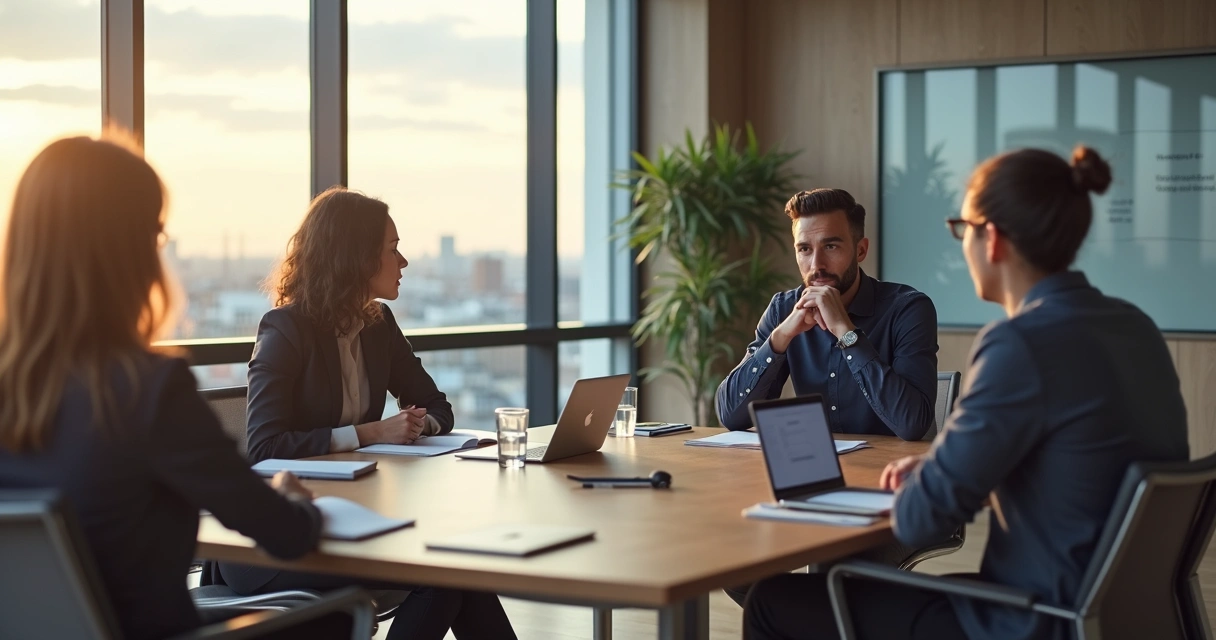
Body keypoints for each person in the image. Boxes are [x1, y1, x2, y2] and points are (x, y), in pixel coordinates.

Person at [743, 147, 1190, 640]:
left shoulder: (1019, 343)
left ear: (991, 238)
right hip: (1114, 610)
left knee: (771, 601)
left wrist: (935, 480)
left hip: (1027, 618)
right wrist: (948, 469)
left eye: (962, 229)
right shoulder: (1135, 327)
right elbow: (1076, 465)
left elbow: (920, 519)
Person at [0, 133, 322, 640]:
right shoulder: (146, 390)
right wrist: (292, 499)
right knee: (329, 612)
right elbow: (284, 535)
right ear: (128, 251)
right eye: (155, 235)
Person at [220, 186, 516, 640]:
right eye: (392, 249)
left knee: (459, 568)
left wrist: (416, 425)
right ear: (356, 257)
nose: (403, 262)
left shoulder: (378, 325)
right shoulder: (285, 328)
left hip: (355, 522)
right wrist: (371, 432)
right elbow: (265, 448)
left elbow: (439, 407)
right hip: (275, 543)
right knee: (443, 575)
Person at [715, 188, 938, 442]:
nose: (816, 265)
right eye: (804, 249)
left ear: (860, 250)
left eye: (830, 246)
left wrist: (846, 332)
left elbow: (912, 423)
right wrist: (780, 338)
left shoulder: (908, 309)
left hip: (889, 465)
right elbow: (730, 415)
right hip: (816, 461)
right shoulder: (783, 309)